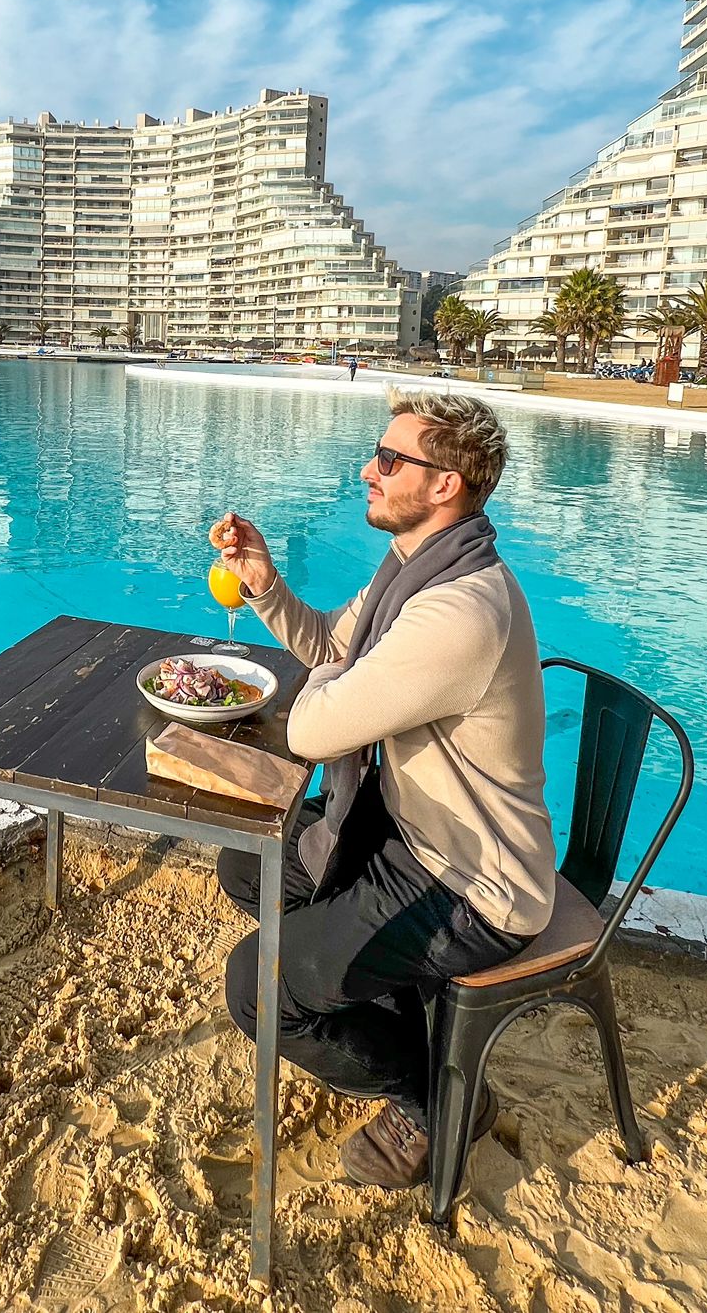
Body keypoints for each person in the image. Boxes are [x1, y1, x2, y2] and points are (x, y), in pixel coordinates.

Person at [208, 386, 555, 1191]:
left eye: (391, 459)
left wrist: (340, 681)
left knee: (257, 988)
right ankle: (375, 991)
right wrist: (263, 585)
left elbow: (309, 730)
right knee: (245, 868)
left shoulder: (459, 611)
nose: (369, 469)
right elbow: (334, 646)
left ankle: (438, 1100)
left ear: (446, 485)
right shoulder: (415, 568)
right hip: (409, 833)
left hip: (472, 883)